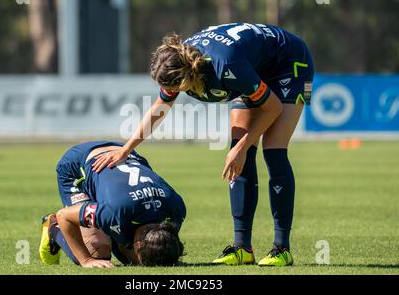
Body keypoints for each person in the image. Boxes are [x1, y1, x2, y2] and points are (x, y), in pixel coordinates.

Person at [92, 23, 314, 267]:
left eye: (174, 87)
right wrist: (127, 149)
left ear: (187, 77)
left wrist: (241, 148)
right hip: (253, 65)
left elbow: (274, 108)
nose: (170, 92)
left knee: (273, 149)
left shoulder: (226, 66)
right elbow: (160, 109)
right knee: (240, 150)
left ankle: (282, 248)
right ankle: (242, 248)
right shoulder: (179, 62)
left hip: (288, 62)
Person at [39, 141, 186, 268]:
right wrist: (86, 260)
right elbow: (64, 216)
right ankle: (53, 228)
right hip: (78, 166)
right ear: (138, 244)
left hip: (121, 152)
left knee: (133, 259)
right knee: (98, 253)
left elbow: (161, 243)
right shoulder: (113, 211)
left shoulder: (176, 211)